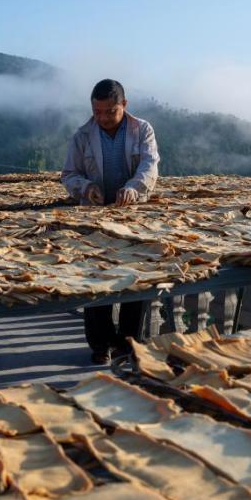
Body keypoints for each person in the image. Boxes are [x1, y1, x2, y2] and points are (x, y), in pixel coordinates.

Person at [61, 79, 160, 365]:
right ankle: (100, 344)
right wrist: (86, 187)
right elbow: (69, 174)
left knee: (134, 279)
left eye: (110, 112)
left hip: (133, 217)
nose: (103, 118)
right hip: (94, 218)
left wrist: (133, 188)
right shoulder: (82, 136)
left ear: (124, 105)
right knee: (95, 278)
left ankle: (126, 343)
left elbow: (149, 166)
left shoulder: (142, 130)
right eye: (97, 112)